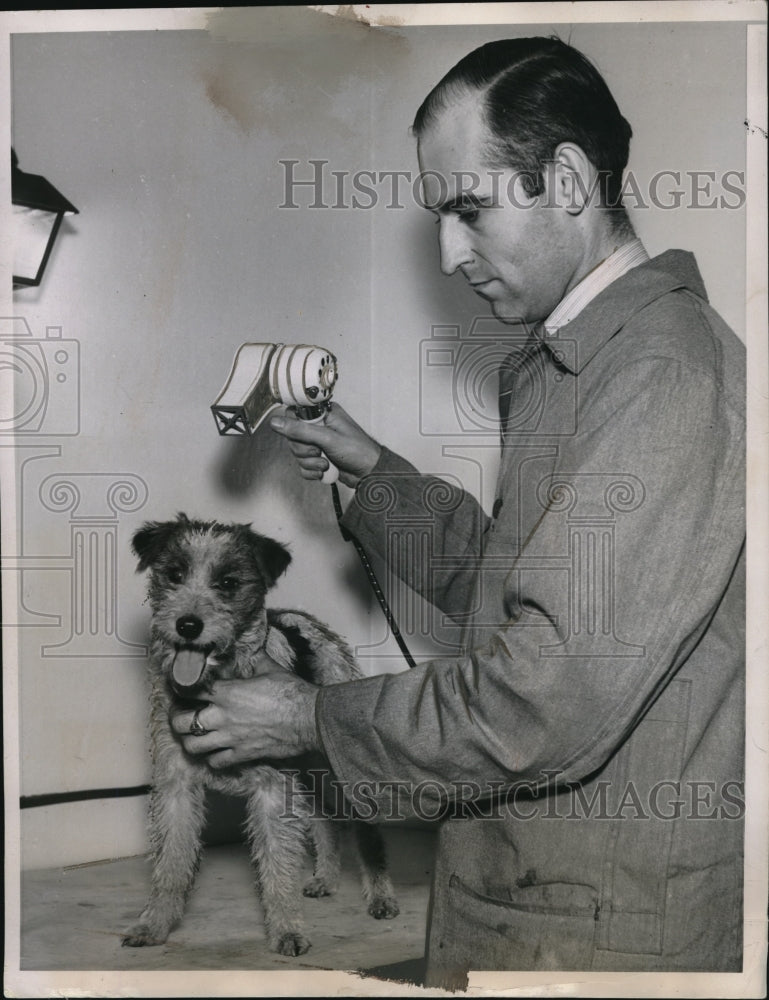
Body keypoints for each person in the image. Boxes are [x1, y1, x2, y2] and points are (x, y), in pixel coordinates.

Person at [171, 38, 745, 987]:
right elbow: (511, 592)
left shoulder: (661, 375)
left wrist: (314, 718)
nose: (447, 254)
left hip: (599, 932)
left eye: (468, 209)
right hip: (530, 893)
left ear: (568, 180)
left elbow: (544, 696)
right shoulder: (587, 360)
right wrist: (372, 471)